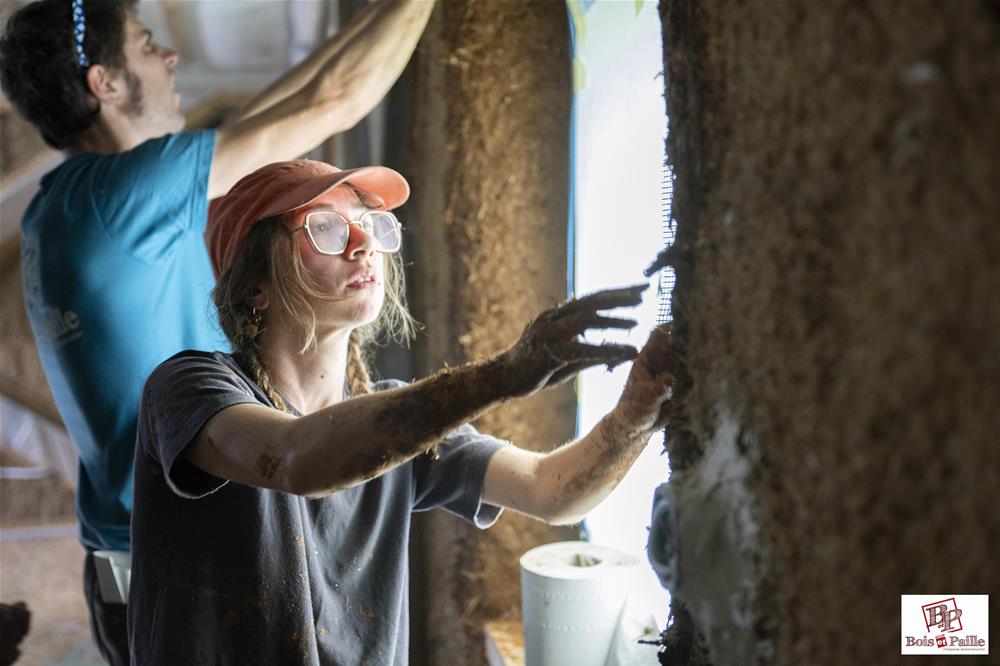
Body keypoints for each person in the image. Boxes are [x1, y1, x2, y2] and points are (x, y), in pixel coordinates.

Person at [0, 1, 436, 663]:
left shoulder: (63, 204)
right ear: (105, 83)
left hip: (131, 561)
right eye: (149, 45)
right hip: (181, 571)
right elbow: (336, 98)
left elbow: (282, 104)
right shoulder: (122, 197)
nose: (170, 58)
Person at [127, 159, 676, 664]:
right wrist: (504, 376)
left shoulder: (399, 423)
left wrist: (639, 407)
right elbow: (293, 458)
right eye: (327, 228)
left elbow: (551, 490)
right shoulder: (189, 388)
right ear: (254, 287)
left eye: (372, 224)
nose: (365, 243)